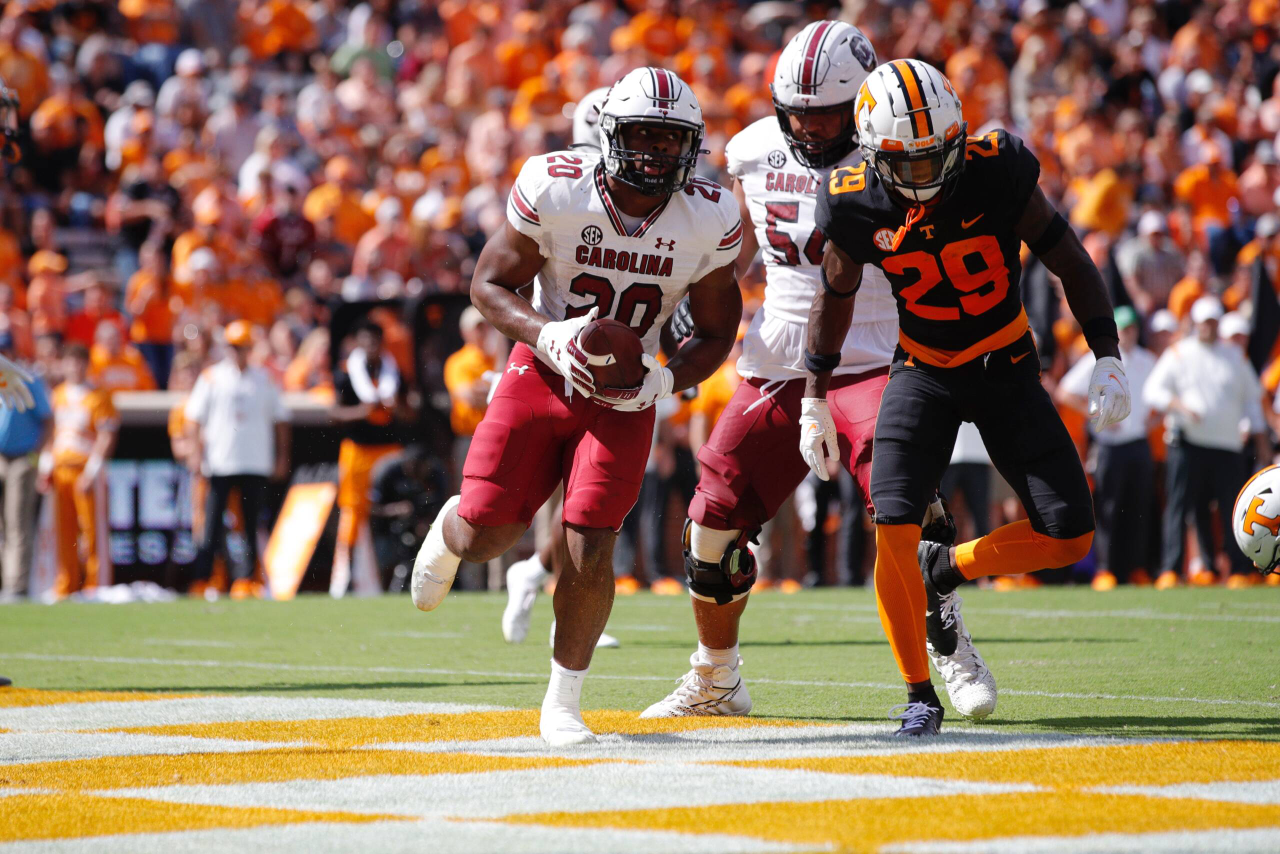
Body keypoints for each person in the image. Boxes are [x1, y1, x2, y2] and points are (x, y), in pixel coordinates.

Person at [411, 67, 743, 746]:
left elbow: (714, 332)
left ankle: (562, 701)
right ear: (610, 136)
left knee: (591, 543)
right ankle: (453, 528)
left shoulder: (709, 215)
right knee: (488, 537)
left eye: (670, 139)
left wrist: (664, 381)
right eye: (643, 135)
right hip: (543, 370)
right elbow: (487, 285)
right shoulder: (557, 186)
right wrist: (546, 331)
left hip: (626, 394)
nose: (655, 152)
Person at [805, 59, 1129, 736]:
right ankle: (920, 693)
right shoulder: (852, 197)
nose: (925, 176)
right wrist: (815, 391)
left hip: (1006, 361)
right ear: (873, 155)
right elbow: (833, 296)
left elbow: (1068, 256)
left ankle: (946, 568)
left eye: (936, 157)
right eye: (907, 163)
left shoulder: (997, 165)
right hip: (922, 368)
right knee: (890, 523)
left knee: (1069, 537)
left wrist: (1106, 352)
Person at [638, 23, 918, 718]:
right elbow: (748, 249)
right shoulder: (753, 151)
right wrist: (695, 296)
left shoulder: (899, 151)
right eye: (797, 110)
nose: (809, 126)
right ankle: (716, 677)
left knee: (906, 506)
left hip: (876, 353)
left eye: (827, 112)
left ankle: (945, 644)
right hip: (779, 359)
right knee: (712, 525)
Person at [1144, 296, 1266, 588]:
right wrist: (1179, 405)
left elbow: (1251, 399)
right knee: (1181, 507)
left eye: (1212, 323)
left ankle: (1238, 569)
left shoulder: (1234, 356)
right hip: (1188, 443)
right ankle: (1172, 569)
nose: (1207, 328)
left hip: (1227, 445)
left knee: (1232, 510)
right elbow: (1153, 391)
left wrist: (1260, 437)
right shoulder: (1179, 353)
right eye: (1203, 323)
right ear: (1195, 324)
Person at [185, 321, 290, 599]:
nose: (236, 353)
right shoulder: (211, 377)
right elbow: (193, 418)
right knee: (211, 524)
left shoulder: (264, 378)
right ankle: (204, 578)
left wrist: (281, 457)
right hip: (219, 462)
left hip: (255, 462)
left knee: (251, 524)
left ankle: (247, 579)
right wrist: (195, 453)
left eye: (241, 347)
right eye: (232, 347)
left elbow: (280, 420)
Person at [1057, 306, 1157, 589]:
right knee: (1109, 508)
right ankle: (1105, 568)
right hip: (1110, 445)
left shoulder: (1147, 360)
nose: (1129, 334)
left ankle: (1136, 567)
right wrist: (1098, 414)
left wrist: (1154, 419)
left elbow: (1163, 394)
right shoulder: (1101, 360)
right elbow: (1065, 391)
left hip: (1138, 442)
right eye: (1124, 329)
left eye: (1132, 328)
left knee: (1139, 507)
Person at [330, 321, 404, 597]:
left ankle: (395, 576)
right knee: (352, 512)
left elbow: (410, 411)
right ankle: (344, 578)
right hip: (358, 451)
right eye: (366, 340)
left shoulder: (393, 371)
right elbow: (334, 412)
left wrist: (397, 407)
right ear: (357, 343)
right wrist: (363, 411)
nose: (371, 346)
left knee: (393, 514)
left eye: (375, 341)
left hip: (388, 450)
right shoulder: (346, 373)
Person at [39, 343, 118, 597]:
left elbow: (106, 436)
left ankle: (96, 585)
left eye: (79, 361)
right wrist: (45, 466)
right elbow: (51, 434)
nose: (74, 367)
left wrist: (92, 471)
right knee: (63, 532)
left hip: (85, 469)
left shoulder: (99, 395)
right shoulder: (57, 394)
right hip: (61, 468)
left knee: (92, 531)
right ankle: (66, 583)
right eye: (70, 361)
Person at [0, 335, 51, 601]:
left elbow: (47, 419)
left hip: (22, 457)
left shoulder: (28, 378)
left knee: (17, 521)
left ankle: (15, 586)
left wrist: (36, 456)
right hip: (0, 456)